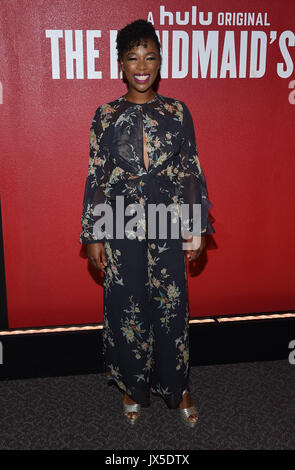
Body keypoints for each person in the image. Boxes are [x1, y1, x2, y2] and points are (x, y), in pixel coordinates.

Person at [79, 19, 215, 427]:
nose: (142, 65)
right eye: (133, 57)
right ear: (121, 64)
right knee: (126, 308)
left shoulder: (177, 112)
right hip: (121, 221)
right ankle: (131, 387)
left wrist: (195, 228)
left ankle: (179, 387)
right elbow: (97, 176)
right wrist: (94, 234)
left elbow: (190, 170)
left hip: (167, 221)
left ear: (160, 62)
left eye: (150, 57)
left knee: (172, 308)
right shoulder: (105, 115)